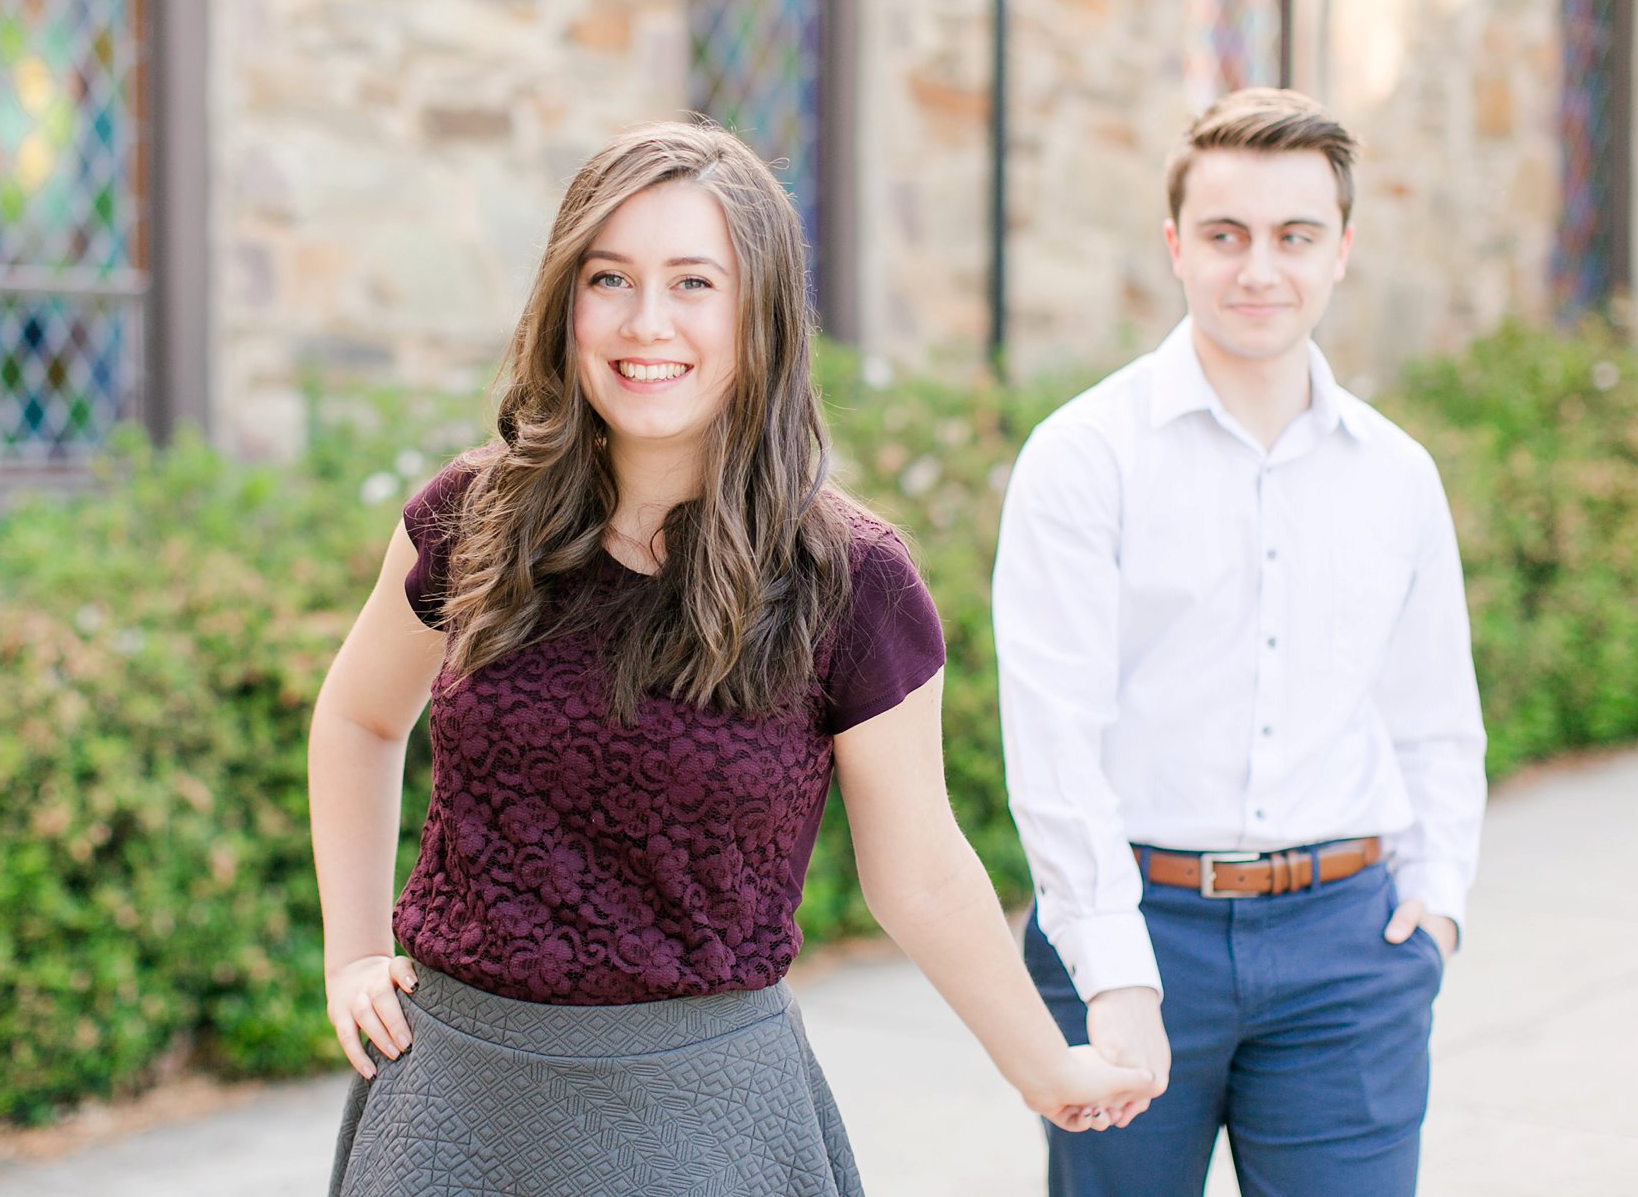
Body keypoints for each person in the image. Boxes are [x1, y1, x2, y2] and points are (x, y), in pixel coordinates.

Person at [309, 120, 1154, 1197]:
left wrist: (1045, 1064)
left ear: (756, 316)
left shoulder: (849, 580)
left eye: (692, 282)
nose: (644, 321)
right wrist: (351, 950)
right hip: (455, 1103)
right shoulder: (471, 518)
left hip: (704, 1116)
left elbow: (920, 868)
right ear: (563, 303)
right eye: (607, 277)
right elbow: (358, 719)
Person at [993, 88, 1488, 1196]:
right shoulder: (1082, 458)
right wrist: (1114, 970)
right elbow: (1053, 741)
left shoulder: (1395, 474)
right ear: (1175, 246)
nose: (1257, 268)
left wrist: (1437, 906)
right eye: (1225, 235)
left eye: (1292, 236)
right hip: (1129, 930)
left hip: (1347, 952)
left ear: (1341, 251)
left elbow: (1433, 718)